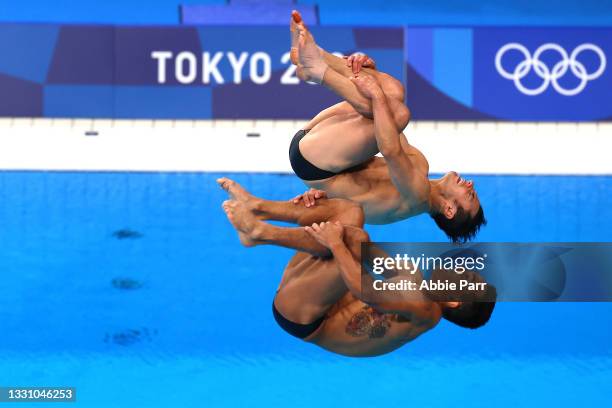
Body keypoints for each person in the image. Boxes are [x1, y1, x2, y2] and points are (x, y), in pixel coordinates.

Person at [218, 177, 496, 357]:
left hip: (305, 316)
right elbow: (364, 248)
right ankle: (258, 208)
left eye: (466, 276)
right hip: (314, 292)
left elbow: (367, 292)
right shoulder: (413, 277)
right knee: (352, 214)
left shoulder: (424, 309)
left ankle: (260, 232)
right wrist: (327, 206)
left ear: (454, 300)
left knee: (348, 241)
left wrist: (337, 242)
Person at [289, 11, 485, 242]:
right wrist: (369, 73)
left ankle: (318, 69)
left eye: (469, 194)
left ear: (449, 210)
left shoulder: (417, 196)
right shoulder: (420, 164)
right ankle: (315, 58)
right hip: (318, 145)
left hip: (315, 162)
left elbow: (390, 149)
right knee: (394, 94)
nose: (470, 184)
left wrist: (374, 91)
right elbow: (383, 123)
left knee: (397, 113)